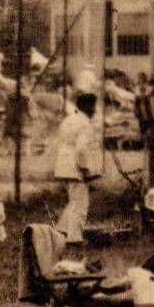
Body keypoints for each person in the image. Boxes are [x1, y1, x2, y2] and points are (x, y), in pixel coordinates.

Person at [52, 86, 104, 244]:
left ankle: (61, 230)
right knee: (80, 204)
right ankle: (74, 238)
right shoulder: (84, 124)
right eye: (94, 107)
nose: (95, 111)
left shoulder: (69, 119)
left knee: (74, 200)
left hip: (63, 164)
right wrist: (87, 169)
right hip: (75, 166)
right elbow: (81, 149)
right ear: (88, 108)